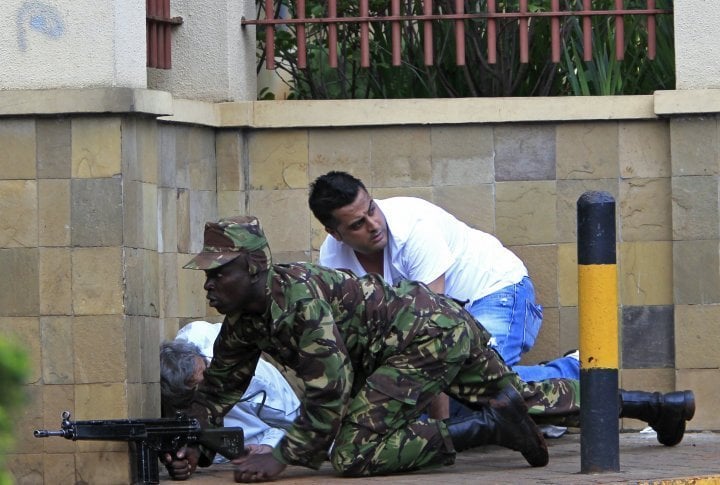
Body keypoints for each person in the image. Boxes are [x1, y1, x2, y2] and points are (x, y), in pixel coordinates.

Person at [164, 215, 694, 482]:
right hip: (434, 330)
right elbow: (219, 386)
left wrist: (281, 458)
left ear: (254, 268)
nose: (209, 285)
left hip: (424, 337)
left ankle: (487, 425)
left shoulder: (298, 301)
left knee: (350, 453)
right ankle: (657, 407)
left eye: (219, 273)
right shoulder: (244, 317)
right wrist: (197, 441)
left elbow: (331, 397)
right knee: (520, 397)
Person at [308, 170, 578, 385]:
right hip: (452, 320)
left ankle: (575, 373)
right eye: (358, 225)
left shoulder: (413, 227)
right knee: (440, 390)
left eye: (371, 210)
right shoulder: (333, 260)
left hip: (498, 291)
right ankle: (551, 406)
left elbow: (432, 322)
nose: (374, 225)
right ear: (335, 233)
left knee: (478, 379)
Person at [160, 320, 301, 462]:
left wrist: (270, 447)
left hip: (287, 379)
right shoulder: (190, 337)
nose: (208, 380)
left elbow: (298, 426)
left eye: (207, 376)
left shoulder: (254, 384)